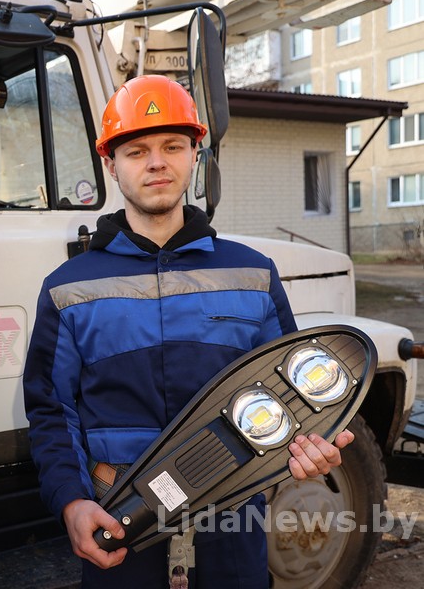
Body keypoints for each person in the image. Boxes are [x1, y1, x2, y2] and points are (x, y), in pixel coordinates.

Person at [22, 74, 354, 588]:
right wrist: (71, 501)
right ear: (110, 164)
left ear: (195, 154)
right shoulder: (68, 288)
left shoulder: (253, 274)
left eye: (173, 146)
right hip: (122, 522)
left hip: (233, 522)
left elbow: (292, 393)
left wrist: (312, 445)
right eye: (137, 151)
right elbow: (50, 409)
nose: (157, 162)